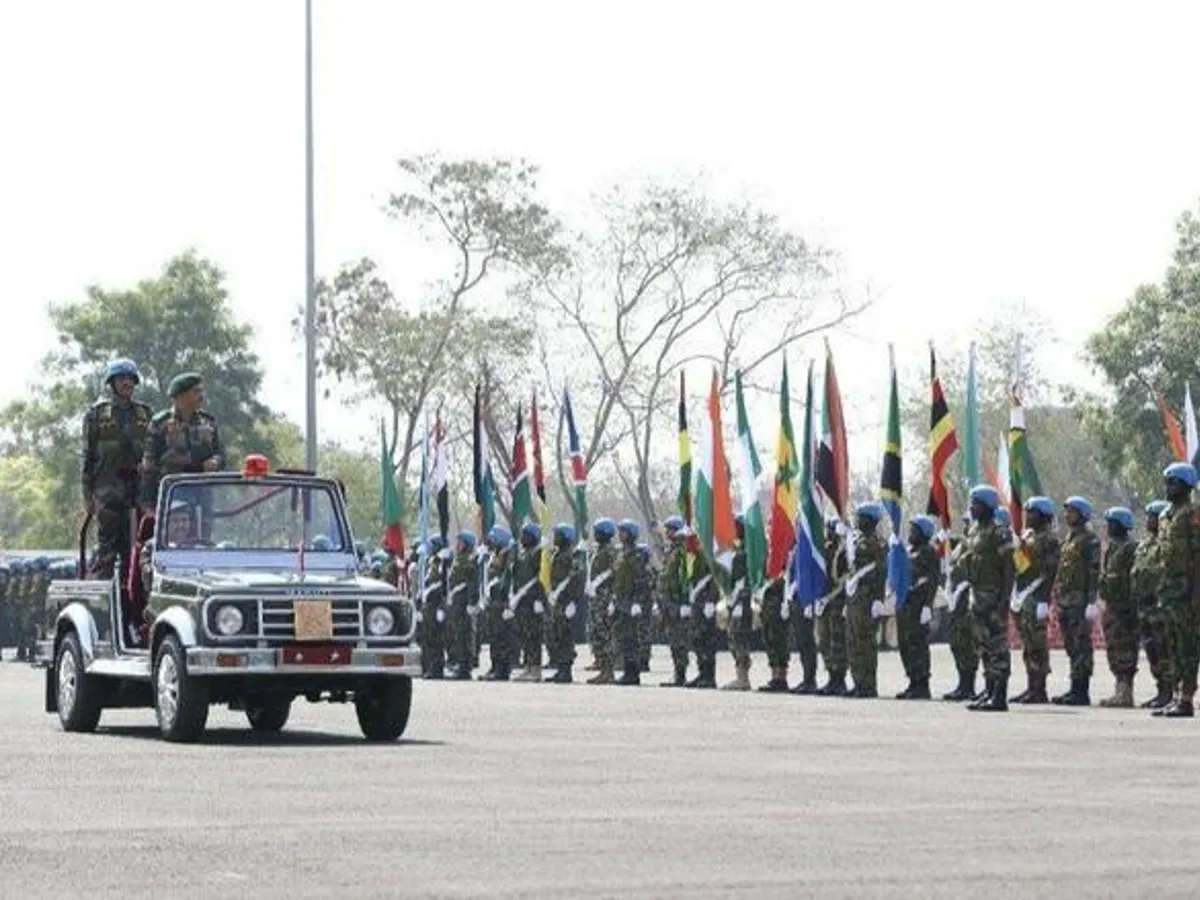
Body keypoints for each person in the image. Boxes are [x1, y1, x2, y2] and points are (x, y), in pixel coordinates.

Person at [82, 358, 153, 579]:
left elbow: (152, 453)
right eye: (122, 378)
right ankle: (103, 603)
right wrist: (88, 497)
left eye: (131, 379)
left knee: (135, 551)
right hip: (107, 490)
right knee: (107, 552)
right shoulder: (96, 415)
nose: (127, 383)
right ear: (111, 383)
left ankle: (131, 603)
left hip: (138, 491)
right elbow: (88, 457)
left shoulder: (145, 414)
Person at [1152, 463, 1200, 718]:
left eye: (1173, 482)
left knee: (1188, 645)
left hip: (1186, 588)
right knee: (1171, 643)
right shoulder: (1165, 515)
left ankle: (1187, 698)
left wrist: (1196, 593)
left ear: (1185, 486)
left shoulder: (1193, 514)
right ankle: (1175, 694)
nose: (1167, 488)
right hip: (1168, 588)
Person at [961, 485, 1014, 712]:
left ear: (987, 507)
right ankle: (989, 690)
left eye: (976, 504)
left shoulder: (999, 532)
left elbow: (1009, 568)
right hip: (977, 596)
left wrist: (1005, 599)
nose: (972, 508)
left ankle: (1000, 696)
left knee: (997, 647)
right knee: (982, 646)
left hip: (993, 597)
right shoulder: (973, 531)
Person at [140, 372, 224, 509]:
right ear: (180, 396)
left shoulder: (208, 422)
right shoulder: (160, 423)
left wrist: (216, 461)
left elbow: (220, 453)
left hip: (203, 496)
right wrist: (148, 503)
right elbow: (149, 465)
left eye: (201, 391)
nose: (201, 396)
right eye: (196, 392)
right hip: (172, 496)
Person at [1051, 496, 1101, 706]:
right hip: (1066, 600)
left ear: (1082, 514)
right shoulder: (1070, 538)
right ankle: (1074, 687)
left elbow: (1094, 571)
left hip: (1080, 601)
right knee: (1072, 645)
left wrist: (1091, 600)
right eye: (1066, 511)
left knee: (1081, 645)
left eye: (1071, 511)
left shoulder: (1090, 540)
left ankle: (1082, 690)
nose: (1067, 515)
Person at [1010, 496, 1059, 705]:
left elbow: (1048, 571)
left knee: (1037, 645)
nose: (1028, 516)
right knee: (1028, 644)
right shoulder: (1028, 535)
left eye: (1033, 513)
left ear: (1044, 517)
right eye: (1027, 512)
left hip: (1036, 594)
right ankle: (1031, 686)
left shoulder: (1049, 540)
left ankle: (1040, 689)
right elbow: (1021, 567)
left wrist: (1043, 599)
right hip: (1024, 595)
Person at [1132, 500, 1174, 709]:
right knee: (1151, 649)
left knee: (1164, 648)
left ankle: (1170, 692)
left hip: (1160, 604)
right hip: (1144, 604)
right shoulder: (1145, 543)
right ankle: (1160, 690)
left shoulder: (1167, 543)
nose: (1149, 520)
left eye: (1153, 516)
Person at [1098, 507, 1138, 707]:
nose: (1107, 527)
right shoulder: (1112, 547)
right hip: (1112, 605)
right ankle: (1119, 690)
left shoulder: (1130, 548)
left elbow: (1134, 579)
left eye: (1111, 522)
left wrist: (1131, 605)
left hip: (1125, 606)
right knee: (1114, 648)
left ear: (1121, 525)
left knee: (1125, 649)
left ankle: (1126, 692)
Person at [845, 503, 886, 698]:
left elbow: (881, 570)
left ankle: (869, 685)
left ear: (870, 520)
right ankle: (858, 682)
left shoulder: (877, 542)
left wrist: (879, 598)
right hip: (855, 599)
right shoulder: (855, 540)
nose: (856, 520)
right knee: (853, 641)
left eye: (860, 517)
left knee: (866, 643)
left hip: (869, 599)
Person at [896, 515, 938, 699]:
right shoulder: (909, 551)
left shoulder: (928, 551)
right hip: (906, 604)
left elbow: (933, 579)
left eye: (914, 530)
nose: (910, 533)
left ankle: (922, 684)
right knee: (905, 643)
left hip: (919, 605)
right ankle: (912, 681)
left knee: (917, 644)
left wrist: (928, 605)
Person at [723, 515, 757, 691]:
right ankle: (739, 675)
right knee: (733, 637)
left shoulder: (747, 552)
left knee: (740, 638)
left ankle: (743, 678)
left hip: (742, 601)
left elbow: (746, 578)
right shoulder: (738, 550)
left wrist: (738, 597)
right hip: (735, 600)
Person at [545, 524, 583, 684]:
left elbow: (576, 578)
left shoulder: (570, 555)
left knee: (565, 636)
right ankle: (560, 667)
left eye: (558, 535)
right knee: (557, 634)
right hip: (558, 600)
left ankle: (566, 670)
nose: (555, 538)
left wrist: (573, 601)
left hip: (566, 601)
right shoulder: (557, 554)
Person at [657, 517, 692, 687]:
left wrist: (685, 601)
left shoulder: (683, 551)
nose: (667, 532)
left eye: (670, 529)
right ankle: (677, 673)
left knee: (680, 640)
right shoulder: (671, 551)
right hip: (669, 601)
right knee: (673, 638)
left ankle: (681, 674)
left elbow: (685, 577)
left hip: (678, 601)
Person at [510, 523, 546, 682]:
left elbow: (541, 577)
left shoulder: (538, 553)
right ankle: (527, 667)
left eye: (526, 535)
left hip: (532, 600)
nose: (522, 538)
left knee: (533, 636)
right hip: (522, 601)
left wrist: (539, 599)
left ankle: (535, 669)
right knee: (524, 634)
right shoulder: (523, 554)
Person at [480, 526, 517, 681]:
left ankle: (502, 669)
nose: (491, 541)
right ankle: (494, 666)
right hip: (492, 603)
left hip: (501, 602)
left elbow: (508, 577)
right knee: (493, 637)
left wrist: (508, 602)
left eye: (493, 538)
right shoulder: (493, 555)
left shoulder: (507, 555)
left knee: (502, 637)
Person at [586, 518, 619, 685]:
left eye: (598, 532)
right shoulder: (598, 551)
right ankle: (602, 667)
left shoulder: (611, 551)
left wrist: (612, 598)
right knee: (597, 632)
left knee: (605, 633)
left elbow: (614, 573)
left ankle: (609, 671)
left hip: (605, 596)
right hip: (596, 597)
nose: (595, 535)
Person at [612, 519, 645, 686]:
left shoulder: (636, 554)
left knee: (632, 638)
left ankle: (633, 672)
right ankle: (627, 669)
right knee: (624, 637)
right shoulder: (621, 553)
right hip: (621, 601)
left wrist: (637, 602)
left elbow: (641, 579)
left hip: (631, 601)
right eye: (620, 532)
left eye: (624, 532)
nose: (621, 535)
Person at [445, 530, 479, 680]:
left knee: (465, 635)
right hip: (457, 603)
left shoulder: (469, 560)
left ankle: (465, 666)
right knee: (458, 635)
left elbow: (472, 583)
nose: (457, 545)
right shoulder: (458, 559)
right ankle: (460, 663)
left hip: (464, 602)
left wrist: (472, 602)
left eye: (460, 542)